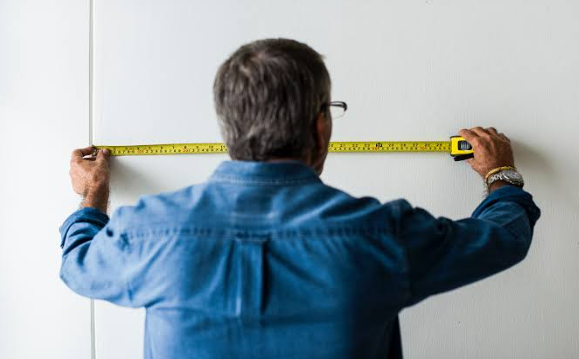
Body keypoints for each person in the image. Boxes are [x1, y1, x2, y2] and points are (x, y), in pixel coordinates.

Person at [60, 39, 540, 359]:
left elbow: (78, 262)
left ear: (228, 126)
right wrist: (500, 173)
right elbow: (502, 239)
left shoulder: (148, 232)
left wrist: (94, 195)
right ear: (320, 126)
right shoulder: (381, 234)